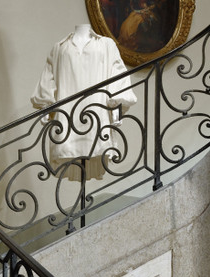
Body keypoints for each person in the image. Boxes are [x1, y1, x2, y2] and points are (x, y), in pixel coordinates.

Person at [31, 24, 136, 181]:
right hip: (67, 116)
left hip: (97, 112)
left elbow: (117, 74)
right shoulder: (59, 47)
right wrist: (45, 105)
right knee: (67, 145)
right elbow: (48, 78)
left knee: (96, 143)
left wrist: (117, 106)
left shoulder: (106, 44)